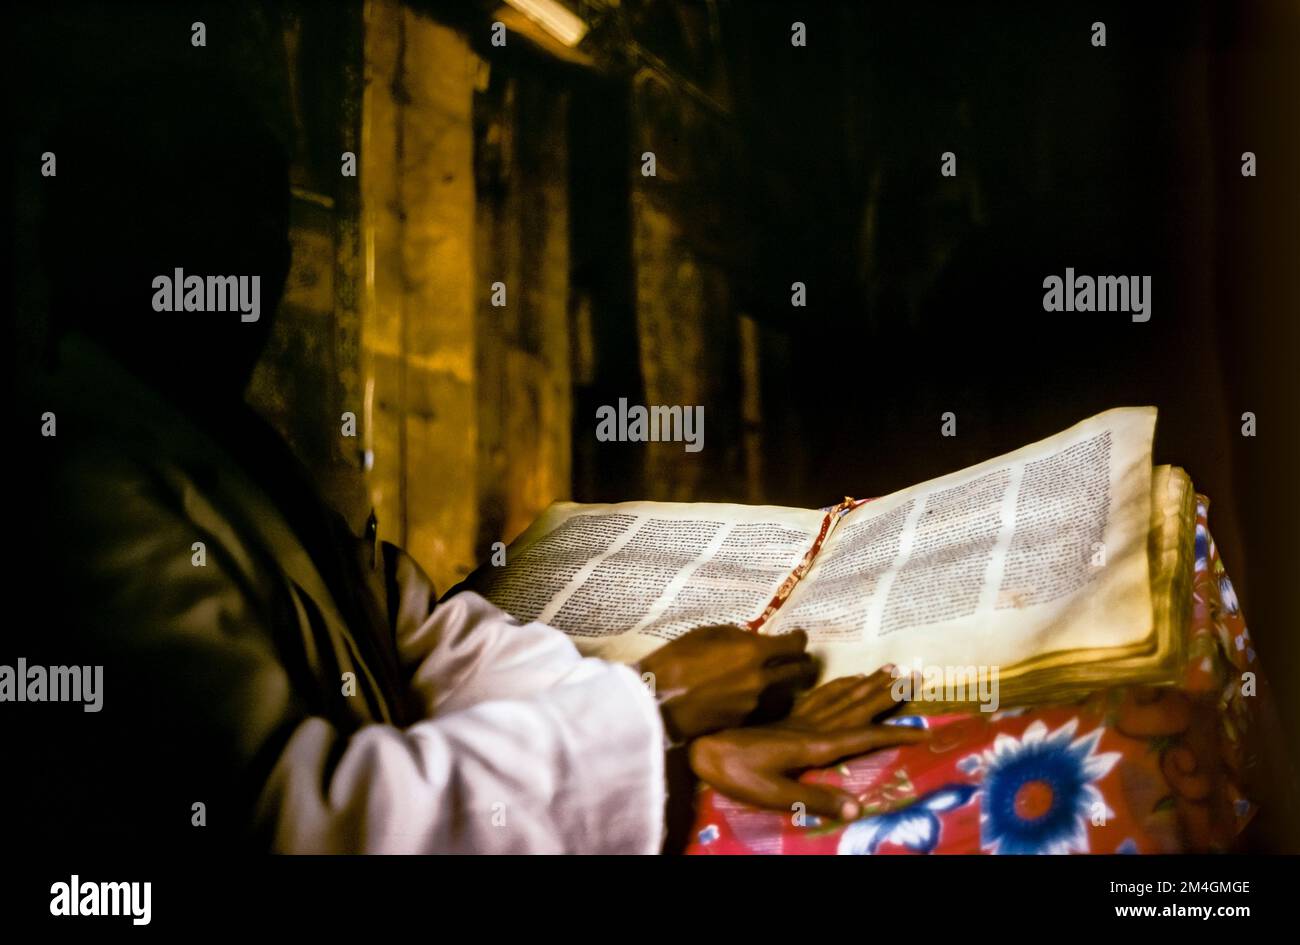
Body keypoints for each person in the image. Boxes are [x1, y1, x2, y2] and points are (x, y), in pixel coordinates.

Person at [16, 71, 922, 854]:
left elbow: (427, 644)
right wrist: (652, 708)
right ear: (83, 237)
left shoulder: (235, 449)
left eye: (263, 214)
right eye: (188, 204)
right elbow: (292, 821)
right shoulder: (76, 486)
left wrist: (660, 741)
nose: (247, 256)